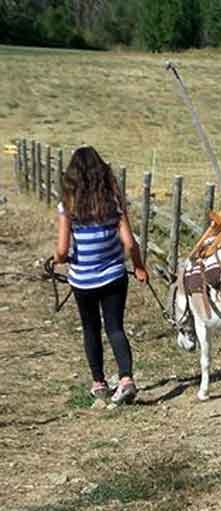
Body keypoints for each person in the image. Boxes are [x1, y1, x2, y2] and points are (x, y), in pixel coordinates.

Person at [54, 146, 148, 404]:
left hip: (83, 280)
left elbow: (62, 250)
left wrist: (58, 259)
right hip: (115, 276)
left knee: (90, 328)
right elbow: (129, 243)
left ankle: (99, 383)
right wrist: (139, 267)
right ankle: (126, 378)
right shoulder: (113, 201)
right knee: (115, 327)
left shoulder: (68, 205)